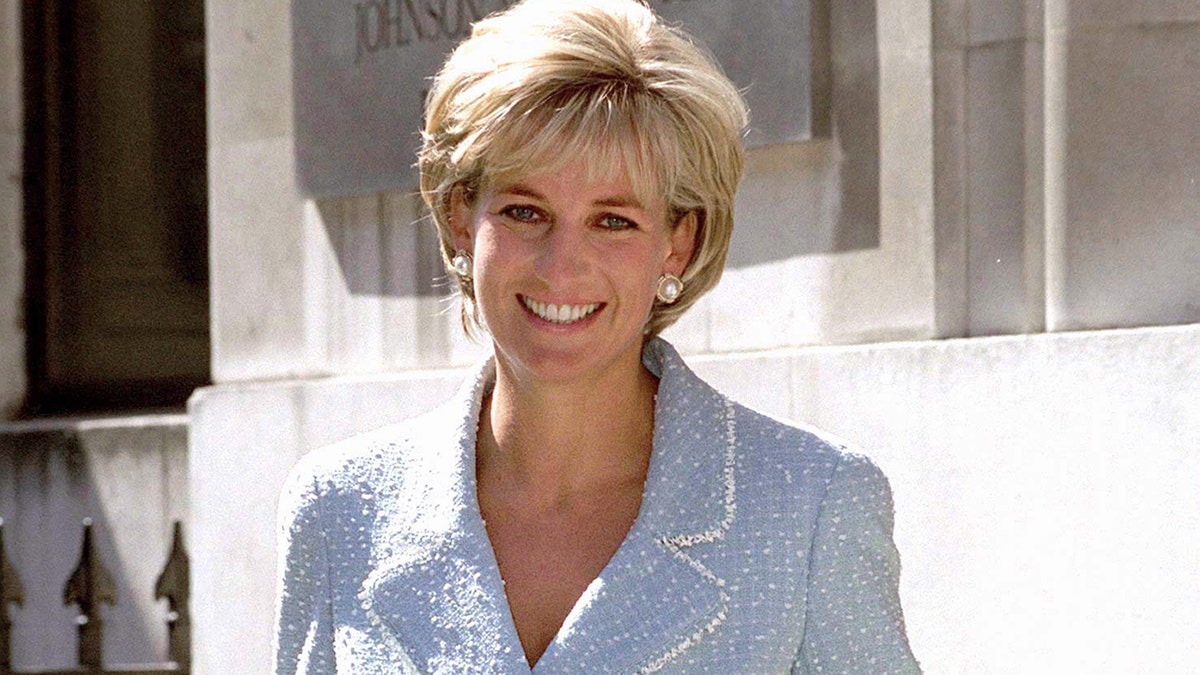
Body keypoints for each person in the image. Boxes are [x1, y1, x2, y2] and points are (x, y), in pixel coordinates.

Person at [274, 0, 920, 672]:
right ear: (462, 218)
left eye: (613, 221)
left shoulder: (810, 506)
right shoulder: (339, 509)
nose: (561, 267)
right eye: (525, 212)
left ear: (678, 241)